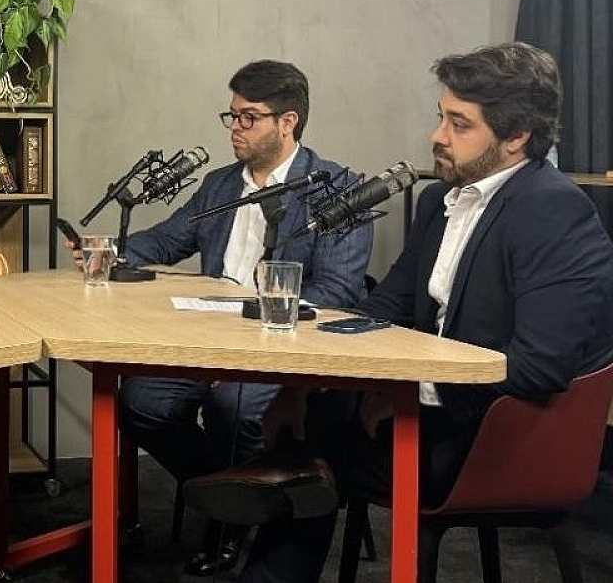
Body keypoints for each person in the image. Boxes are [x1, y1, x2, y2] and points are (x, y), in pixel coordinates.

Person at [184, 42, 613, 582]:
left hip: (502, 437)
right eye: (441, 117)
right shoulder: (440, 202)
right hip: (439, 416)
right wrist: (301, 383)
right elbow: (384, 306)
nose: (438, 135)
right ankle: (272, 482)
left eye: (459, 124)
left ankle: (265, 482)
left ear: (516, 136)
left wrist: (411, 391)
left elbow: (538, 367)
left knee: (315, 455)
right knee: (312, 426)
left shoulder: (553, 211)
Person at [69, 60, 373, 574]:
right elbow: (168, 239)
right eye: (231, 116)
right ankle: (227, 498)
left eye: (248, 117)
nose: (235, 128)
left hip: (281, 345)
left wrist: (258, 316)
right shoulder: (220, 185)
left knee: (236, 408)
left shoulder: (339, 189)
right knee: (142, 402)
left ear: (288, 122)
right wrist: (109, 251)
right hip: (206, 337)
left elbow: (338, 291)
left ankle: (233, 518)